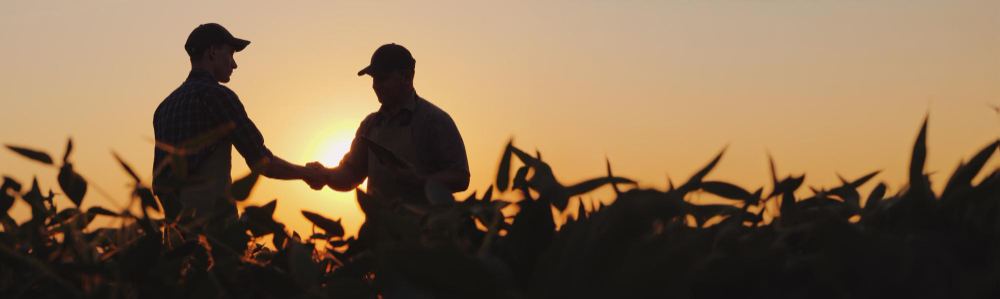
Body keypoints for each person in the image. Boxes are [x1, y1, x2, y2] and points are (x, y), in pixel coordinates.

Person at [153, 23, 324, 220]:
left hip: (177, 239)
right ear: (213, 52)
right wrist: (308, 174)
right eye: (231, 54)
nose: (234, 64)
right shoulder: (217, 96)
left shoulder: (163, 108)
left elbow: (159, 184)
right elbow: (262, 161)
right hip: (216, 235)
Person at [307, 43, 470, 204]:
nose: (375, 86)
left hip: (424, 229)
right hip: (378, 229)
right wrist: (325, 175)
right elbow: (350, 175)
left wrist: (419, 180)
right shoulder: (369, 125)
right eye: (374, 79)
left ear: (407, 77)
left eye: (383, 79)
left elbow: (461, 178)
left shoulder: (435, 120)